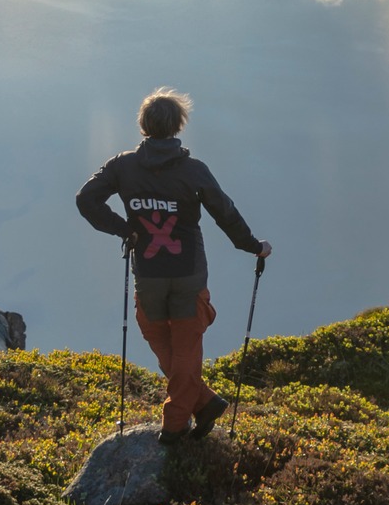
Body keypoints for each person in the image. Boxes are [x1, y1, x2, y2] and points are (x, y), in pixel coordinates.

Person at [76, 88, 271, 443]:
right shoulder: (193, 171)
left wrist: (125, 229)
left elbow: (86, 199)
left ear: (143, 125)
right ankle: (204, 402)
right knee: (183, 346)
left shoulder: (122, 166)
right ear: (178, 126)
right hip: (188, 272)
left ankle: (175, 425)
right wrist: (253, 246)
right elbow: (224, 213)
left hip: (147, 272)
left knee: (159, 337)